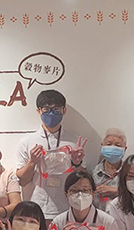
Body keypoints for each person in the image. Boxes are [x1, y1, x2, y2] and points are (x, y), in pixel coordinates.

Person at [16, 90, 87, 219]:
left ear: (64, 110)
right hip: (38, 207)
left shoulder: (75, 141)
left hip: (69, 208)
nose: (51, 113)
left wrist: (76, 163)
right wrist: (32, 162)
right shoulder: (27, 142)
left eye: (56, 109)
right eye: (46, 109)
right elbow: (22, 181)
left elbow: (83, 180)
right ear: (38, 111)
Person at [51, 170, 118, 230]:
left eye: (85, 190)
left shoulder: (107, 222)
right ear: (66, 195)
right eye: (74, 191)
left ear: (93, 194)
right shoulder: (58, 222)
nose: (80, 195)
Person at [92, 128, 127, 209]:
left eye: (117, 145)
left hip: (122, 215)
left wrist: (117, 191)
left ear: (125, 149)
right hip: (98, 214)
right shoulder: (94, 171)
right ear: (102, 146)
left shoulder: (129, 171)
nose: (113, 148)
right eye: (109, 144)